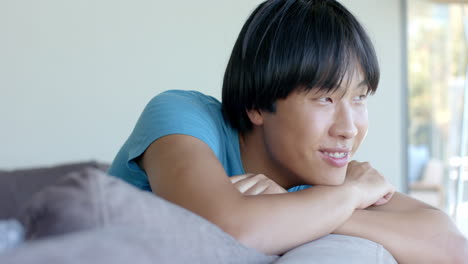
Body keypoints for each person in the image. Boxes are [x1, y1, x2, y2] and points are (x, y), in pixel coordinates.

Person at [108, 0, 467, 262]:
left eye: (359, 98)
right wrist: (352, 193)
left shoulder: (320, 173)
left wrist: (297, 204)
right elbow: (229, 227)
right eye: (325, 99)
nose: (348, 129)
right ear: (257, 105)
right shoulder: (180, 116)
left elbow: (451, 246)